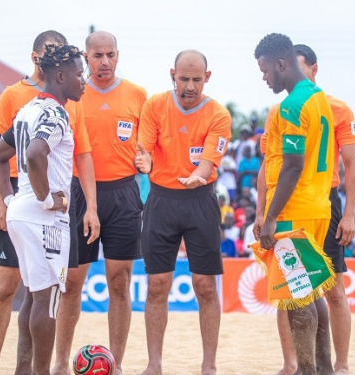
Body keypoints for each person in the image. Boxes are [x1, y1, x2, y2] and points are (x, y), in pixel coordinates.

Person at [0, 31, 97, 375]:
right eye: (79, 73)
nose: (84, 80)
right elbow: (34, 154)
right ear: (60, 76)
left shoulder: (30, 108)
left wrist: (11, 199)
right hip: (42, 217)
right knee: (46, 301)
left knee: (33, 296)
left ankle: (23, 370)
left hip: (21, 211)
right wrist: (46, 199)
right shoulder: (56, 114)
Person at [54, 30, 145, 375]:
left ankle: (117, 364)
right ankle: (61, 362)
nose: (104, 62)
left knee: (119, 282)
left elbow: (148, 145)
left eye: (110, 55)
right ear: (86, 58)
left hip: (124, 194)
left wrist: (146, 160)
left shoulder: (138, 95)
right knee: (72, 282)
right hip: (79, 194)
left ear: (118, 56)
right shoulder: (74, 96)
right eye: (97, 56)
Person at [135, 49, 231, 375]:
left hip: (200, 199)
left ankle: (209, 366)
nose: (190, 86)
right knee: (157, 285)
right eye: (183, 78)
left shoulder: (219, 114)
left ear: (207, 77)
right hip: (161, 200)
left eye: (196, 79)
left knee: (205, 285)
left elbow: (207, 162)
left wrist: (198, 175)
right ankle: (154, 364)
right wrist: (145, 162)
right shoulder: (155, 105)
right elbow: (144, 150)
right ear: (172, 74)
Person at [253, 33, 335, 375]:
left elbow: (293, 165)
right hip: (318, 207)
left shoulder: (291, 106)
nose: (264, 77)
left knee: (298, 297)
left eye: (265, 70)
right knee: (313, 291)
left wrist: (270, 217)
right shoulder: (318, 98)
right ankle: (323, 368)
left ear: (281, 64)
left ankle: (306, 370)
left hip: (293, 212)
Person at [293, 43, 355, 374]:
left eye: (299, 66)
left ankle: (342, 365)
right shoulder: (283, 110)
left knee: (334, 290)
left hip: (326, 200)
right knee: (291, 290)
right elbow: (268, 167)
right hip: (291, 203)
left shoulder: (338, 109)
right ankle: (293, 363)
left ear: (314, 69)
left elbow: (351, 165)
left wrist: (349, 214)